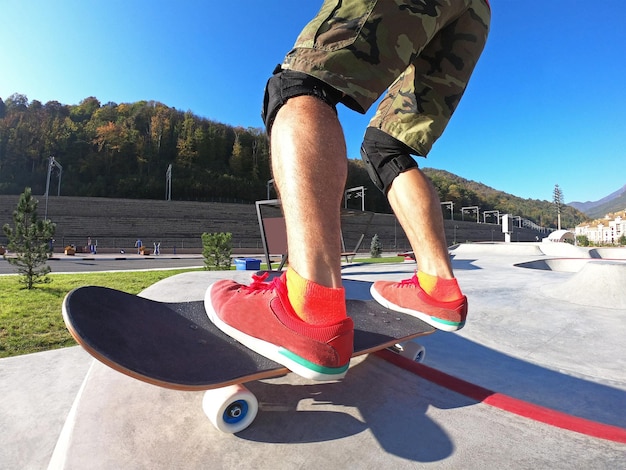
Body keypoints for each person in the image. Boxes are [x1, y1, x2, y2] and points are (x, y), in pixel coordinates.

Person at [206, 0, 491, 381]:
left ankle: (307, 306)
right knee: (386, 148)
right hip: (476, 13)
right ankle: (437, 287)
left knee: (299, 83)